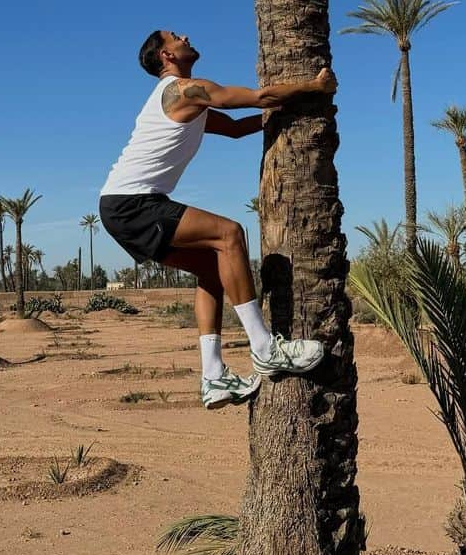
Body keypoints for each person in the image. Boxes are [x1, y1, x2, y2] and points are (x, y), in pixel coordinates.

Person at [99, 29, 336, 409]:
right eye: (175, 37)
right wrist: (314, 86)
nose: (185, 36)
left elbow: (241, 127)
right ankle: (264, 348)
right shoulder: (184, 91)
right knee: (229, 233)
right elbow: (259, 98)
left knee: (212, 268)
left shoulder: (187, 104)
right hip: (133, 203)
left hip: (121, 207)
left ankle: (212, 376)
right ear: (166, 56)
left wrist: (290, 110)